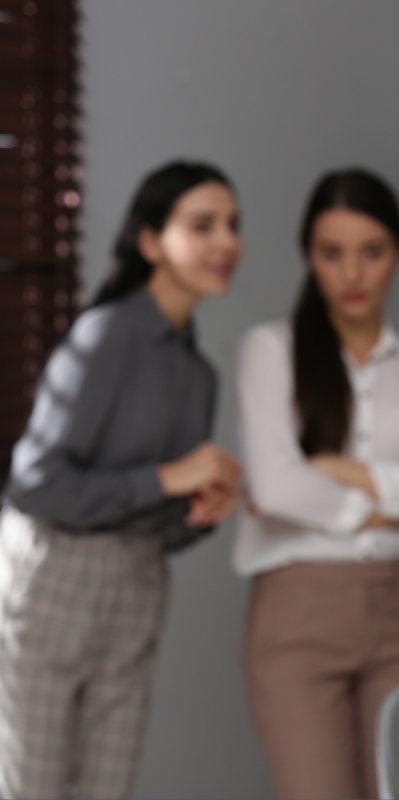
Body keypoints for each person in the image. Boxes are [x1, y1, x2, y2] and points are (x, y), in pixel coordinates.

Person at [0, 161, 243, 799]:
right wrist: (168, 477)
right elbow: (35, 486)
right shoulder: (105, 335)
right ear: (150, 241)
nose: (226, 243)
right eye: (203, 225)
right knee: (34, 790)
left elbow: (160, 525)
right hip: (57, 579)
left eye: (233, 226)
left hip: (138, 586)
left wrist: (199, 512)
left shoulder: (200, 376)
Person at [236, 169, 399, 800]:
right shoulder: (269, 352)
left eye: (371, 253)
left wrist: (338, 472)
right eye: (331, 253)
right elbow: (275, 487)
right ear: (308, 256)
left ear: (397, 255)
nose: (351, 274)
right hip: (298, 612)